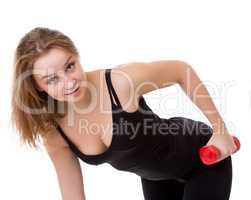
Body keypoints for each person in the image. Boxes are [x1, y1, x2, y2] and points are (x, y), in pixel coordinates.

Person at [10, 27, 237, 200]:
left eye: (70, 66)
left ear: (77, 56)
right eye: (52, 79)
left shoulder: (120, 83)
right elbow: (72, 193)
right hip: (156, 179)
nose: (69, 82)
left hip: (202, 157)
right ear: (38, 85)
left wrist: (220, 129)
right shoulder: (55, 134)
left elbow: (180, 70)